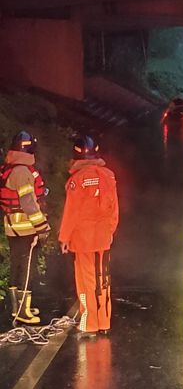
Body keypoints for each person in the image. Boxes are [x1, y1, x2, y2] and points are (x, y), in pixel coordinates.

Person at [59, 135, 119, 337]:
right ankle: (104, 321)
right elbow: (114, 210)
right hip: (103, 238)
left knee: (86, 282)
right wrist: (109, 231)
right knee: (103, 280)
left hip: (83, 240)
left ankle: (89, 323)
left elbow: (71, 212)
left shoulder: (76, 180)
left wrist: (64, 238)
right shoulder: (109, 175)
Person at [0, 131, 50, 324]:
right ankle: (22, 312)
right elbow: (29, 202)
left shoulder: (8, 168)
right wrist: (42, 227)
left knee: (16, 267)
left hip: (12, 227)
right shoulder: (22, 172)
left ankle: (17, 308)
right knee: (26, 269)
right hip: (26, 229)